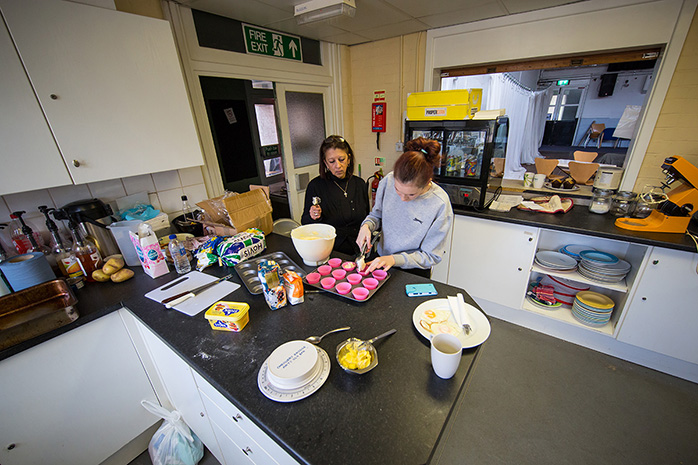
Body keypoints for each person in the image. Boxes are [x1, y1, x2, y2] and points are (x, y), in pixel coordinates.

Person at [356, 137, 453, 278]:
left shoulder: (439, 204)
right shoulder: (387, 181)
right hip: (381, 261)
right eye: (397, 190)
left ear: (427, 182)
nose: (402, 198)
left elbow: (431, 256)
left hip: (414, 271)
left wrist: (395, 259)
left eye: (411, 195)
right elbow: (376, 216)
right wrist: (366, 226)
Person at [301, 135, 369, 256]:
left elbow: (367, 217)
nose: (338, 166)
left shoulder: (359, 184)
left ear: (348, 159)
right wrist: (314, 217)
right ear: (325, 163)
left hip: (359, 249)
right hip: (330, 251)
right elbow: (305, 223)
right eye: (332, 161)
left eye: (341, 159)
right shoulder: (316, 186)